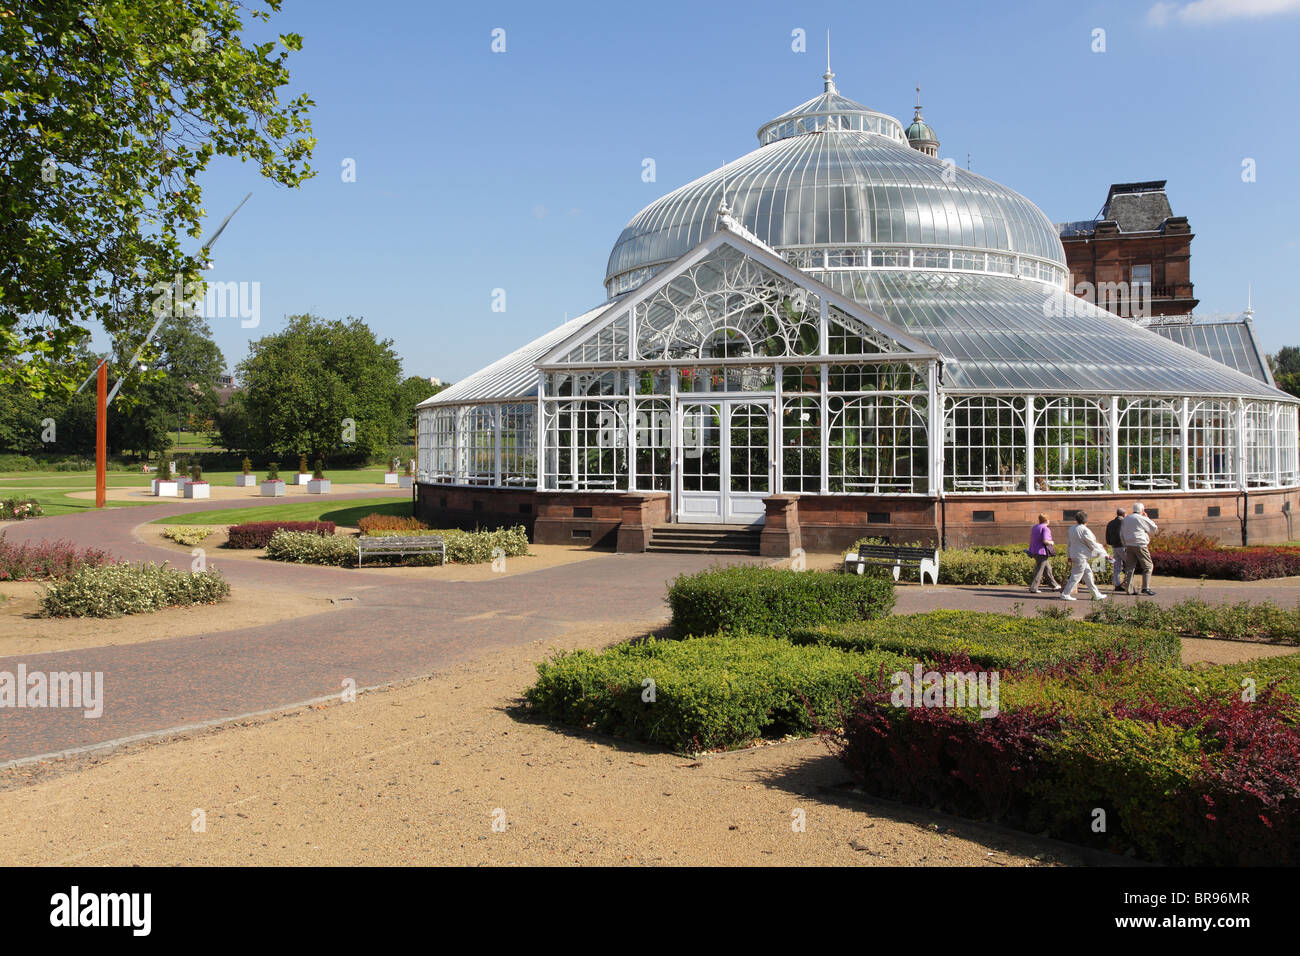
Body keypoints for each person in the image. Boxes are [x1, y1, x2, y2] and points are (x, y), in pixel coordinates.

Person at [1061, 510, 1108, 602]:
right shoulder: (1085, 530)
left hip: (1075, 555)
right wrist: (1103, 553)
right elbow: (1092, 544)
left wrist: (1069, 555)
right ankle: (1065, 594)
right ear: (1086, 520)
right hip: (1082, 556)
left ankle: (1096, 594)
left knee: (1088, 575)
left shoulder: (1071, 528)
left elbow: (1069, 543)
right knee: (1076, 576)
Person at [1120, 502, 1159, 596]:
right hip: (1140, 544)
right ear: (1142, 510)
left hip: (1129, 544)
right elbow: (1154, 528)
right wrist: (1146, 517)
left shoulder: (1126, 518)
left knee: (1130, 567)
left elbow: (1121, 533)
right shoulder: (1141, 518)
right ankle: (1146, 587)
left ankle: (1129, 589)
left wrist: (1124, 544)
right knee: (1148, 566)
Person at [1027, 513, 1061, 593]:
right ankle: (1033, 588)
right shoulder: (1046, 529)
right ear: (1047, 520)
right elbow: (1045, 541)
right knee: (1040, 570)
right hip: (1042, 552)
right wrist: (1051, 542)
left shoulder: (1035, 527)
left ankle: (1054, 585)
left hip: (1034, 551)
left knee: (1047, 569)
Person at [1105, 507, 1127, 591]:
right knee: (1129, 564)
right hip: (1123, 546)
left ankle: (1117, 584)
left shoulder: (1110, 523)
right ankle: (1126, 582)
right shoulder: (1124, 522)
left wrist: (1111, 543)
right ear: (1124, 514)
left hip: (1114, 546)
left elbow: (1107, 536)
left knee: (1117, 566)